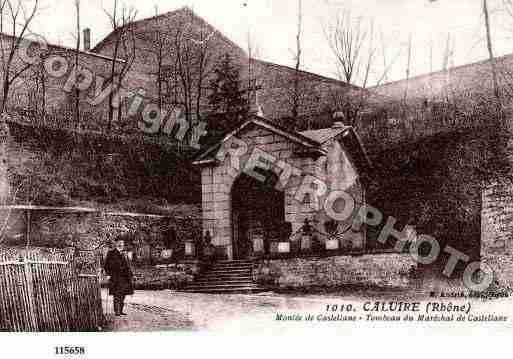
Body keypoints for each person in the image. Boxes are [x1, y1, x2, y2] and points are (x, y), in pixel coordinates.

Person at [104, 237, 134, 316]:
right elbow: (106, 265)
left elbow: (128, 265)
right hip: (115, 277)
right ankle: (117, 311)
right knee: (117, 294)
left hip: (124, 277)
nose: (121, 244)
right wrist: (108, 274)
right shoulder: (111, 253)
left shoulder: (124, 253)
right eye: (119, 243)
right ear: (116, 243)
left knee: (123, 294)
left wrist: (131, 275)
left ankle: (120, 310)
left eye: (122, 243)